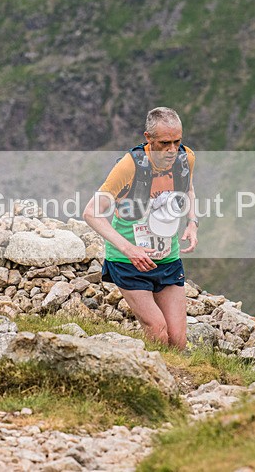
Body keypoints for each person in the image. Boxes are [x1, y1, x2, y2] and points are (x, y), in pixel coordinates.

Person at [83, 107, 198, 350]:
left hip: (168, 259)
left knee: (177, 340)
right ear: (148, 138)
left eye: (177, 141)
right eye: (164, 143)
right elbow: (91, 213)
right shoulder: (129, 166)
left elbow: (188, 189)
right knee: (157, 331)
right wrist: (129, 249)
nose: (171, 150)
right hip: (129, 263)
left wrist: (192, 223)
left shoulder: (185, 159)